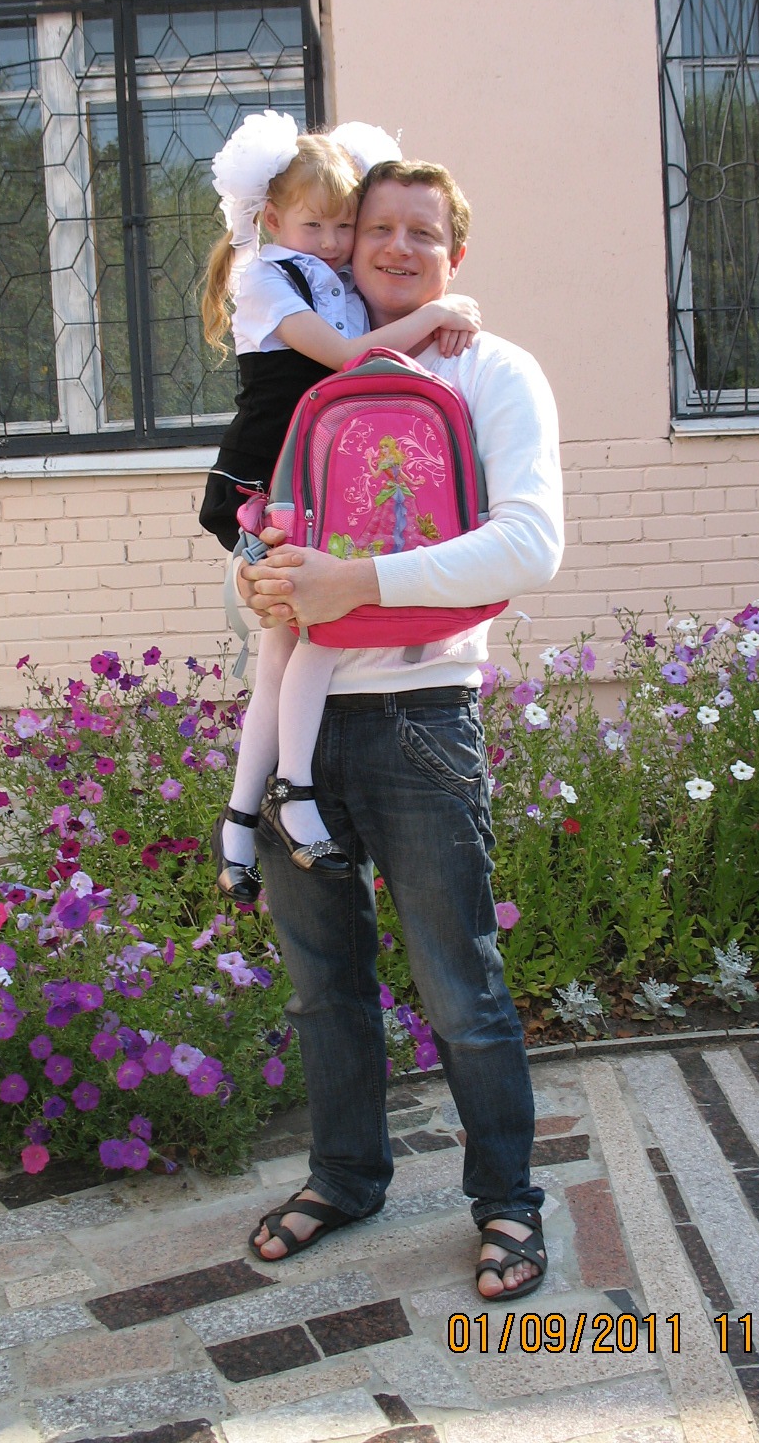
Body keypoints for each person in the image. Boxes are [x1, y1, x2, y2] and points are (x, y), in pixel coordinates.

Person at [240, 158, 565, 1303]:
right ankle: (345, 1177)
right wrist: (261, 583)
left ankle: (508, 1202)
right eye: (376, 227)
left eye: (422, 232)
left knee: (459, 985)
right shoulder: (314, 380)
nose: (395, 247)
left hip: (423, 715)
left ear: (454, 254)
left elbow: (531, 543)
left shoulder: (494, 371)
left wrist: (357, 580)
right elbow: (267, 535)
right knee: (321, 984)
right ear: (345, 245)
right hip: (300, 721)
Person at [198, 112, 482, 904]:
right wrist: (440, 314)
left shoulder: (329, 279)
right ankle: (293, 795)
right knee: (317, 633)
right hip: (264, 486)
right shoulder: (264, 278)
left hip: (308, 487)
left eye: (342, 226)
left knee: (284, 654)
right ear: (272, 218)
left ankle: (239, 825)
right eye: (314, 225)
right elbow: (356, 360)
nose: (330, 242)